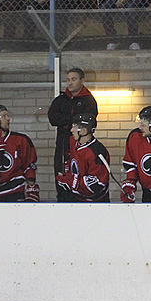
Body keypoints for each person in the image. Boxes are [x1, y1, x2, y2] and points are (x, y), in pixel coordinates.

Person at [47, 67, 97, 201]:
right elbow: (53, 118)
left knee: (79, 184)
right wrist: (72, 119)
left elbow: (88, 121)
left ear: (82, 80)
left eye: (73, 79)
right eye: (68, 80)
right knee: (62, 184)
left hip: (81, 149)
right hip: (62, 148)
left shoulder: (88, 100)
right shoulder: (60, 100)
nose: (70, 83)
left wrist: (65, 120)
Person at [55, 113, 109, 203]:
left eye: (75, 127)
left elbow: (96, 184)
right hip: (75, 198)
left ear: (83, 131)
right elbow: (70, 160)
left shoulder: (98, 152)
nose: (71, 130)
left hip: (95, 203)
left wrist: (69, 180)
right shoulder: (73, 141)